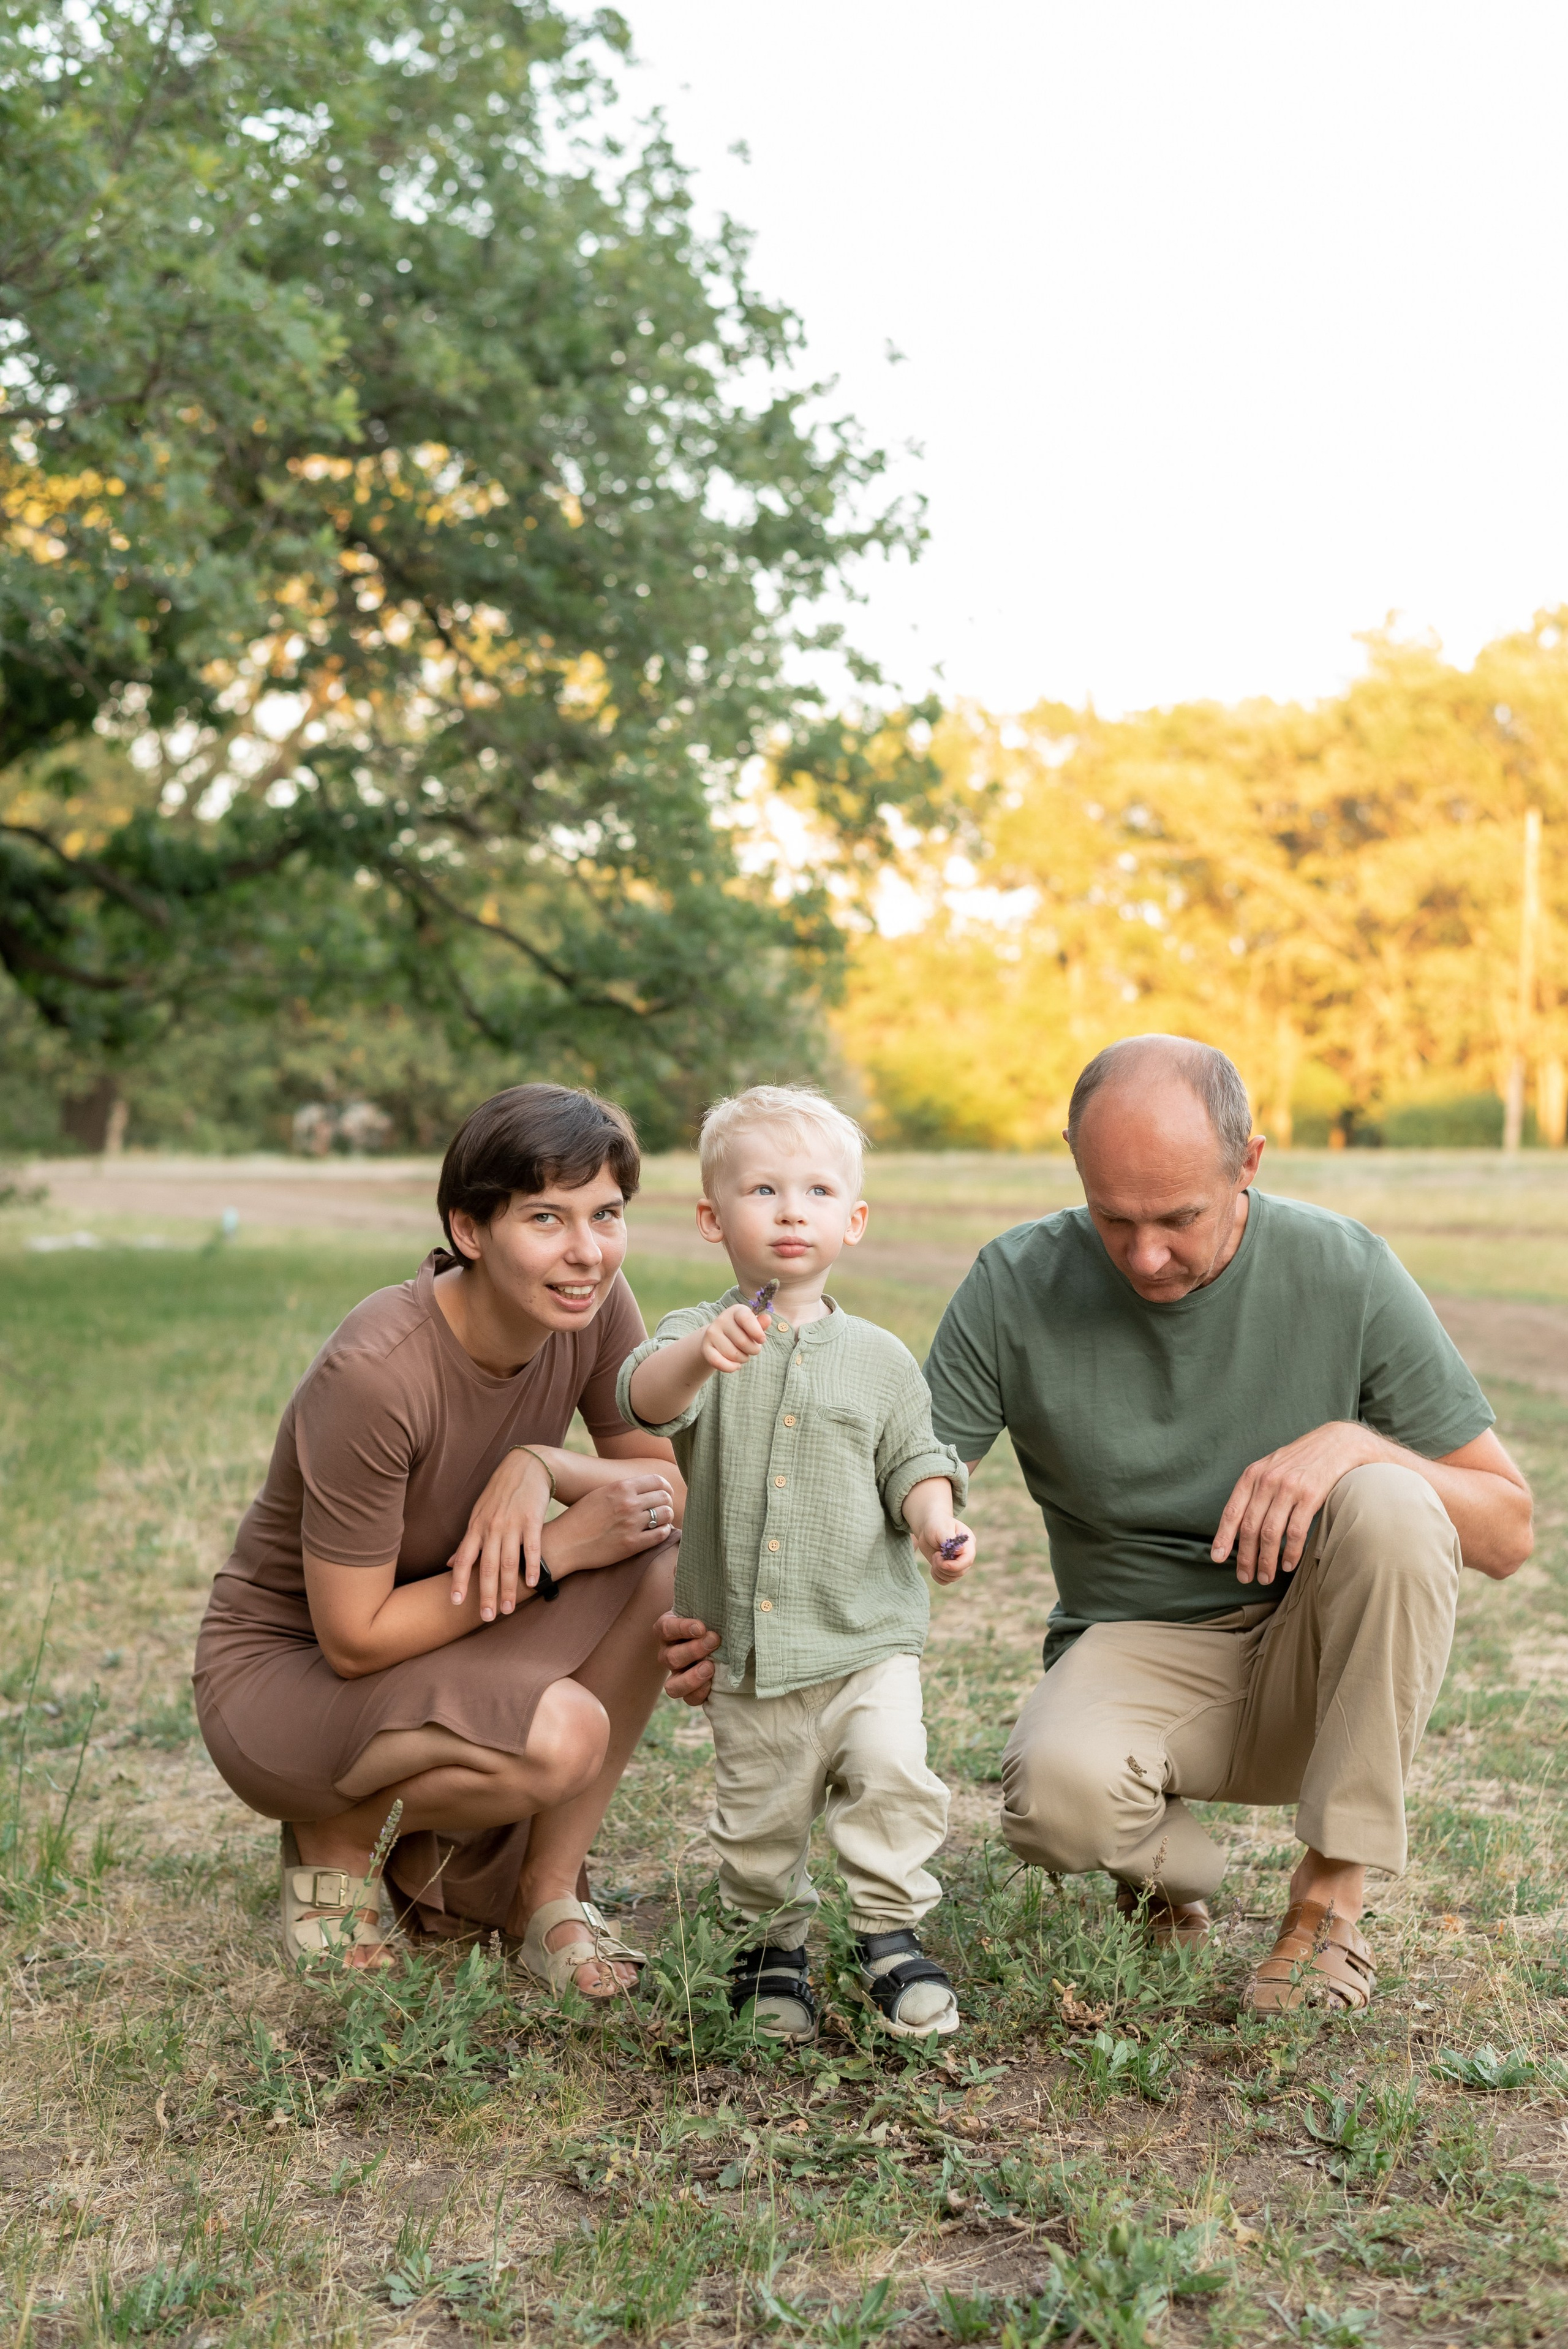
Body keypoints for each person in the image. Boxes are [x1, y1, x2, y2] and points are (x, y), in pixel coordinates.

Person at [916, 1034, 1533, 2013]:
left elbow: (1507, 1530)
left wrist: (1352, 1444)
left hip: (1319, 1668)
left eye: (1178, 1217)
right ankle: (1171, 1884)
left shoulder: (1346, 1267)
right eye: (1113, 1218)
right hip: (1139, 1649)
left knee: (1393, 1498)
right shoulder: (1015, 1281)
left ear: (1247, 1163)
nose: (1146, 1255)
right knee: (1055, 1805)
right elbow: (913, 1475)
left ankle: (1329, 1901)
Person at [193, 1084, 684, 1999]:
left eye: (606, 1214)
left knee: (663, 1566)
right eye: (546, 1217)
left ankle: (546, 1896)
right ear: (470, 1228)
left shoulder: (592, 1299)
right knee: (563, 1735)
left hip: (442, 1634)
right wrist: (560, 1548)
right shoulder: (377, 1372)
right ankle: (334, 1834)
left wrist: (545, 1462)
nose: (587, 1250)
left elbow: (667, 1491)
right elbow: (353, 1638)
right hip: (290, 1673)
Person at [622, 1086, 974, 2040]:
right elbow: (647, 1402)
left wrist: (939, 1524)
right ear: (712, 1216)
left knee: (893, 1767)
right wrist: (702, 1352)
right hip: (749, 1646)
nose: (789, 1209)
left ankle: (890, 1934)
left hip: (867, 1634)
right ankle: (770, 1950)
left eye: (817, 1190)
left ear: (851, 1221)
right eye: (763, 1189)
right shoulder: (695, 1335)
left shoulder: (881, 1357)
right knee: (760, 1814)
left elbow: (914, 1459)